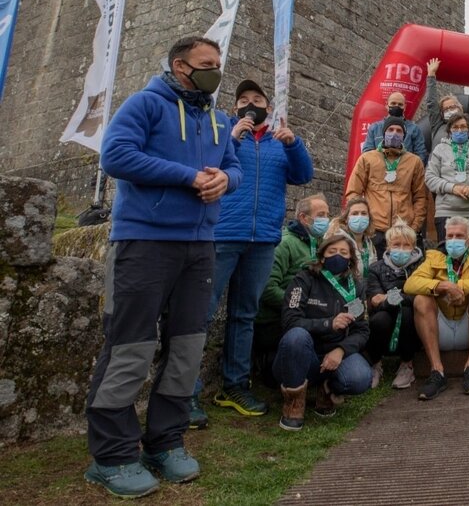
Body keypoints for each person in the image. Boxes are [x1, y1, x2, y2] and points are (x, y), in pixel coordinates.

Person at [85, 36, 241, 498]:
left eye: (218, 64)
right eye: (206, 65)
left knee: (187, 348)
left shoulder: (218, 119)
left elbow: (233, 165)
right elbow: (115, 156)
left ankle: (165, 442)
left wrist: (224, 180)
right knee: (130, 346)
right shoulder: (145, 105)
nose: (215, 72)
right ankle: (111, 455)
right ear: (179, 65)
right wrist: (188, 176)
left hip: (199, 246)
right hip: (144, 242)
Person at [191, 78, 314, 425]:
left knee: (244, 316)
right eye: (243, 99)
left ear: (268, 108)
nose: (250, 104)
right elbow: (205, 163)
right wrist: (232, 137)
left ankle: (233, 386)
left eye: (257, 99)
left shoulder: (279, 142)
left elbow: (304, 175)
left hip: (262, 241)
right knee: (200, 313)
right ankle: (185, 393)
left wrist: (294, 144)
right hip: (222, 235)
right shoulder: (223, 134)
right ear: (234, 108)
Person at [274, 226, 373, 430]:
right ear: (322, 256)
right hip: (303, 353)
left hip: (335, 354)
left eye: (344, 253)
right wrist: (329, 323)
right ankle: (294, 402)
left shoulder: (356, 286)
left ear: (351, 259)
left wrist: (341, 350)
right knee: (296, 337)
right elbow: (290, 321)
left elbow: (362, 330)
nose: (338, 256)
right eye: (332, 252)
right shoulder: (304, 279)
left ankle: (326, 388)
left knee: (360, 378)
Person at [404, 216, 469, 400]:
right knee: (421, 300)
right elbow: (410, 284)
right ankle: (437, 372)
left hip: (468, 326)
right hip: (441, 327)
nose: (453, 240)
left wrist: (460, 286)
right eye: (450, 236)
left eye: (459, 236)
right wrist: (443, 286)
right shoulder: (434, 256)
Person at [252, 194, 331, 390]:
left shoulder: (321, 244)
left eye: (328, 215)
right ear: (304, 218)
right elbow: (267, 288)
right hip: (277, 321)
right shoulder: (285, 244)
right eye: (321, 215)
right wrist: (300, 307)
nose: (326, 220)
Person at [345, 116, 427, 256]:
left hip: (403, 229)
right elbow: (353, 193)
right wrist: (362, 221)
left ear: (404, 136)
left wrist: (414, 227)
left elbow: (420, 197)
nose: (394, 133)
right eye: (390, 129)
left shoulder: (415, 162)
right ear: (383, 133)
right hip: (374, 229)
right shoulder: (367, 158)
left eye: (399, 131)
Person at [364, 219, 424, 391]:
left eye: (406, 245)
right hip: (385, 314)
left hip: (410, 316)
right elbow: (374, 300)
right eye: (396, 245)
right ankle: (376, 363)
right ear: (388, 246)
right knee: (379, 319)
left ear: (413, 246)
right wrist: (391, 299)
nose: (401, 249)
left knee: (406, 314)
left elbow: (418, 297)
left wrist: (389, 297)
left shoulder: (421, 267)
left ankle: (407, 364)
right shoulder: (376, 268)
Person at [425, 111, 469, 241]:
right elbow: (430, 178)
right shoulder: (440, 149)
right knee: (447, 253)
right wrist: (452, 188)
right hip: (446, 211)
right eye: (455, 127)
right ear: (449, 130)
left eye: (463, 127)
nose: (459, 130)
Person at [360, 90, 427, 164]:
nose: (396, 106)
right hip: (378, 172)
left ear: (404, 107)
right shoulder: (374, 128)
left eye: (400, 104)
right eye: (393, 103)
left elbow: (421, 156)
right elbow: (367, 154)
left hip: (404, 172)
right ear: (387, 105)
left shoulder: (414, 129)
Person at [421, 57, 464, 150]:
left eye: (452, 107)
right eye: (446, 109)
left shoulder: (467, 127)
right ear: (442, 113)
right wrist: (431, 74)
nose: (450, 110)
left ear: (460, 108)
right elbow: (431, 102)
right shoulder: (438, 125)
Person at [336, 197, 377, 276]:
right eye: (355, 213)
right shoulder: (338, 240)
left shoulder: (369, 243)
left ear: (369, 218)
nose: (359, 217)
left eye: (364, 213)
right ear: (346, 218)